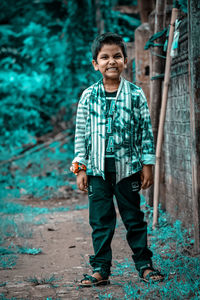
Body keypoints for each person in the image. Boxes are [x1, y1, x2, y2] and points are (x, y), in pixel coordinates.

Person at [70, 32, 164, 286]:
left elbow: (146, 131)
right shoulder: (88, 96)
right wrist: (81, 168)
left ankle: (145, 265)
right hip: (97, 172)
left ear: (125, 60)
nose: (111, 61)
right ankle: (100, 269)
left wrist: (147, 164)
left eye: (117, 56)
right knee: (100, 221)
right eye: (105, 57)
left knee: (134, 218)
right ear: (95, 63)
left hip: (128, 170)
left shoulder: (135, 95)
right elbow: (81, 134)